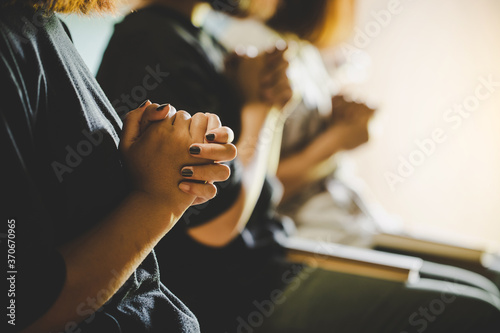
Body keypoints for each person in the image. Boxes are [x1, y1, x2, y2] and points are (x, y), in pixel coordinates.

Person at [97, 0, 500, 332]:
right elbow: (216, 225)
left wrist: (263, 107)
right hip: (239, 297)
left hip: (271, 262)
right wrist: (263, 111)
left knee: (487, 289)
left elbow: (249, 186)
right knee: (479, 313)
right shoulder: (153, 45)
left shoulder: (197, 40)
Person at [0, 0, 238, 332]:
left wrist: (134, 170)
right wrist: (159, 198)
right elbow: (18, 310)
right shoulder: (10, 38)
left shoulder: (43, 24)